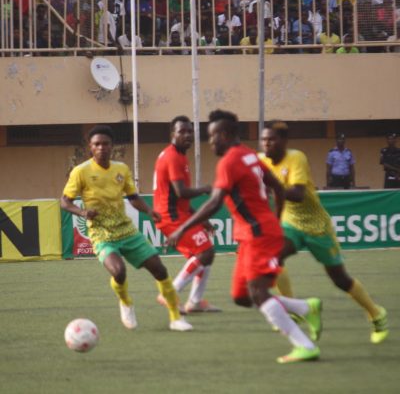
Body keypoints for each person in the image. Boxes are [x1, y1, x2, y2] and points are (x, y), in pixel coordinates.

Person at [167, 110, 322, 364]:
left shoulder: (229, 162)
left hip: (259, 234)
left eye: (212, 136)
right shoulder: (250, 154)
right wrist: (276, 218)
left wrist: (182, 228)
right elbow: (277, 186)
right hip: (253, 234)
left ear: (225, 135)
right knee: (241, 296)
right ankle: (306, 308)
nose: (210, 142)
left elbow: (214, 202)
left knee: (258, 292)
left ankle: (304, 345)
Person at [259, 121, 389, 345]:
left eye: (271, 139)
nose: (266, 143)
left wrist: (272, 187)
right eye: (263, 139)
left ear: (284, 141)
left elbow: (298, 194)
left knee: (340, 279)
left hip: (317, 226)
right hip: (291, 223)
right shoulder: (261, 161)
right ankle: (295, 308)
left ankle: (376, 314)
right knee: (272, 258)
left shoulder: (296, 157)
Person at [61, 125, 193, 332]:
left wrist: (149, 211)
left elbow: (133, 197)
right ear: (90, 147)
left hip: (127, 231)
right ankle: (125, 301)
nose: (101, 147)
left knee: (159, 269)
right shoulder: (81, 172)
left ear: (112, 146)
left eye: (105, 144)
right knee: (119, 271)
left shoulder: (121, 169)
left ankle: (176, 318)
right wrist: (83, 212)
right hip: (101, 233)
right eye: (97, 144)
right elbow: (64, 202)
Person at [153, 116, 220, 313]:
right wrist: (205, 188)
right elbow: (181, 192)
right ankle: (170, 293)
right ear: (172, 134)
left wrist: (202, 219)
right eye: (182, 131)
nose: (187, 135)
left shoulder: (180, 156)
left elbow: (180, 198)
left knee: (205, 255)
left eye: (190, 131)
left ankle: (195, 302)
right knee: (206, 252)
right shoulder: (173, 156)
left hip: (176, 213)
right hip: (170, 216)